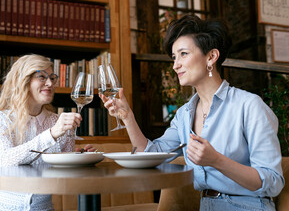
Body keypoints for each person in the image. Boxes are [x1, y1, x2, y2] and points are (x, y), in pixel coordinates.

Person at [100, 15, 284, 210]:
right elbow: (150, 154)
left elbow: (272, 182)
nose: (175, 64)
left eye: (183, 54)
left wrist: (216, 160)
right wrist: (128, 117)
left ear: (211, 57)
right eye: (174, 57)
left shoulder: (249, 106)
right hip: (205, 205)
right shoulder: (184, 115)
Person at [0, 54, 95, 211]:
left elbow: (65, 173)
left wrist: (80, 157)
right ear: (23, 81)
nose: (50, 83)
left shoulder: (57, 122)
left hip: (42, 208)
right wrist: (51, 134)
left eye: (52, 77)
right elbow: (4, 161)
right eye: (42, 77)